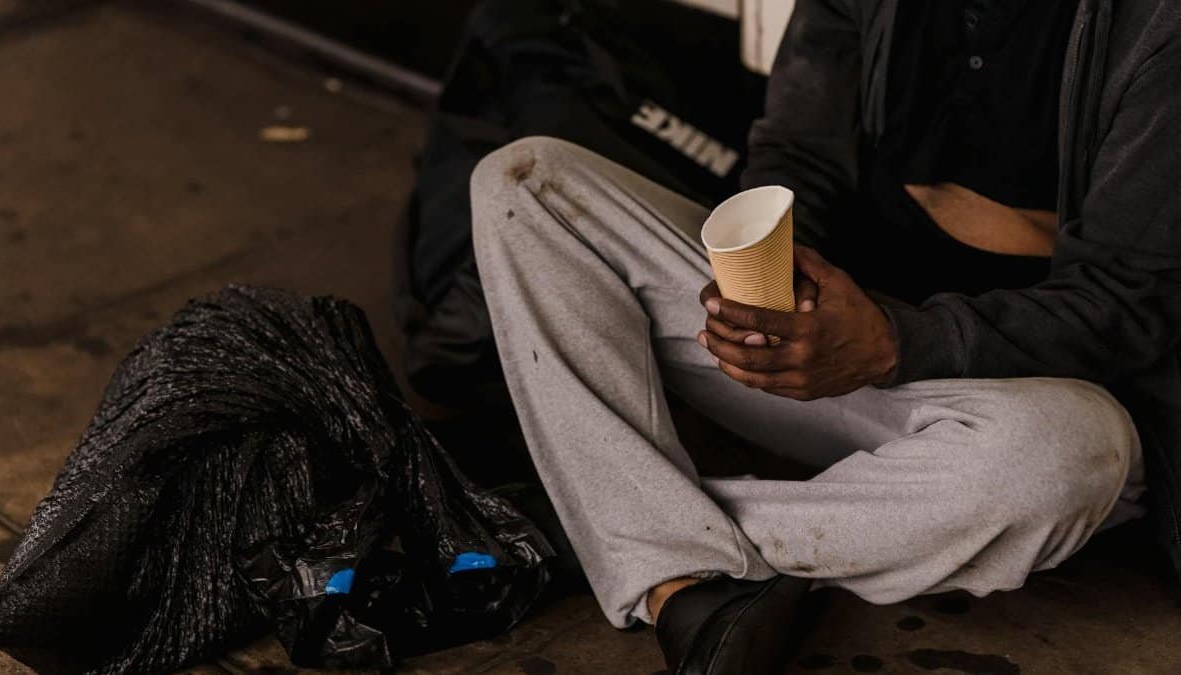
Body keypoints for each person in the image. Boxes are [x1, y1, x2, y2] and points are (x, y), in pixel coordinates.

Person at [469, 0, 1181, 672]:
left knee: (1067, 459)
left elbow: (1129, 302)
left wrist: (898, 342)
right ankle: (632, 526)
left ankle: (594, 527)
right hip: (835, 341)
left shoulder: (1158, 26)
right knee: (525, 183)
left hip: (1019, 397)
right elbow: (798, 153)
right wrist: (774, 295)